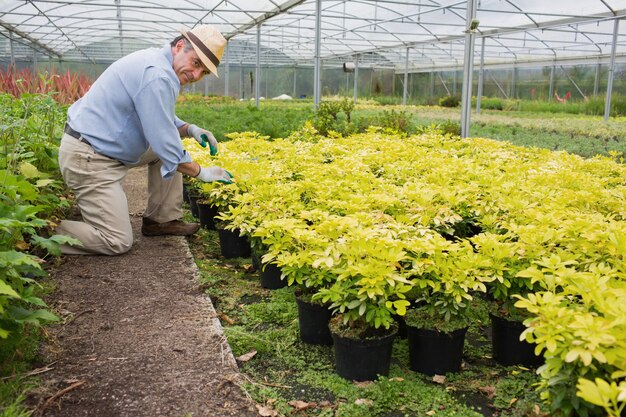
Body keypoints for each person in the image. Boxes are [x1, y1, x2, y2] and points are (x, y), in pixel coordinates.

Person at [56, 25, 232, 255]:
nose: (196, 75)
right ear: (179, 46)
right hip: (90, 160)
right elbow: (163, 139)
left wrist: (189, 129)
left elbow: (156, 115)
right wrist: (201, 172)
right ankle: (43, 232)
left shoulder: (156, 62)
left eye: (204, 73)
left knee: (165, 152)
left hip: (102, 150)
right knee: (116, 240)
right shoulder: (157, 74)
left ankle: (161, 220)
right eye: (196, 63)